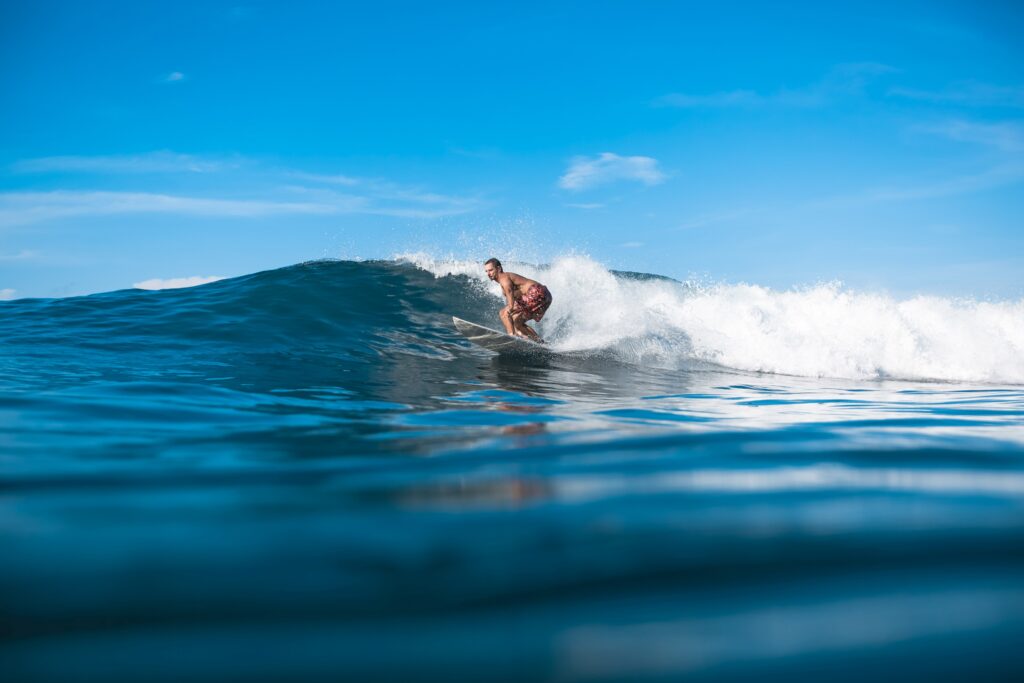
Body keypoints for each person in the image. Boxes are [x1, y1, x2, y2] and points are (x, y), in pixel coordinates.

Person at [484, 258, 552, 342]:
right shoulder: (507, 279)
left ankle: (512, 337)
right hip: (545, 296)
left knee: (503, 313)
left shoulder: (503, 277)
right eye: (486, 271)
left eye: (490, 270)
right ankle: (539, 342)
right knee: (517, 323)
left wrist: (510, 307)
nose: (488, 274)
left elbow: (509, 291)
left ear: (498, 268)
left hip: (536, 292)